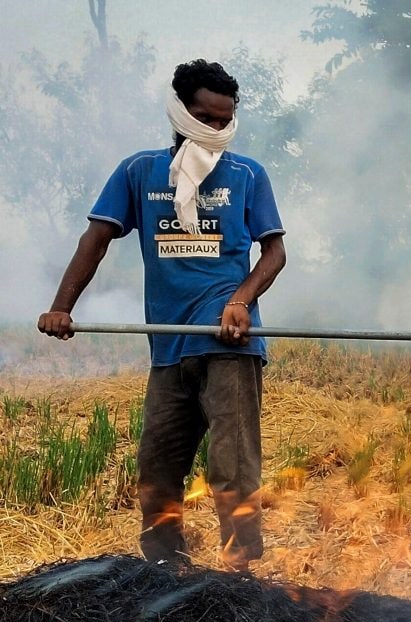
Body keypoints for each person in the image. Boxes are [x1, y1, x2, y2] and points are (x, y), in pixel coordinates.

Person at [38, 59, 286, 572]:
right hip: (168, 345)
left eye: (224, 120)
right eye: (204, 118)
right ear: (178, 113)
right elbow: (97, 238)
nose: (215, 130)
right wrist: (62, 306)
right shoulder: (139, 171)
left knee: (232, 472)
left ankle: (240, 578)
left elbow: (274, 252)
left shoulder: (246, 175)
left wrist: (240, 300)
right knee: (157, 469)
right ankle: (164, 576)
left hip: (228, 341)